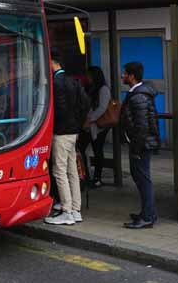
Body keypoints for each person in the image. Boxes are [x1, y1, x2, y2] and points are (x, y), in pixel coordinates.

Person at [44, 49, 83, 225]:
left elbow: (58, 109)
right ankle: (76, 209)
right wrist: (77, 123)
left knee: (59, 171)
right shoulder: (72, 80)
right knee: (72, 170)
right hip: (73, 132)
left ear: (53, 62)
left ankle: (66, 211)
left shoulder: (56, 82)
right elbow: (85, 103)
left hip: (61, 133)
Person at [121, 61, 160, 229]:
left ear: (132, 76)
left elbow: (142, 126)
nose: (122, 76)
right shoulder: (136, 93)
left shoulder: (138, 96)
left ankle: (148, 217)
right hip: (140, 144)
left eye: (124, 73)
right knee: (140, 178)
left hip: (141, 145)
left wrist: (136, 149)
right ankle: (147, 212)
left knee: (144, 180)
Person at [77, 66, 111, 187]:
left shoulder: (103, 89)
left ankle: (97, 178)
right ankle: (86, 175)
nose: (87, 78)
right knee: (81, 148)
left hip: (98, 126)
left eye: (89, 76)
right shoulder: (89, 88)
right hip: (88, 125)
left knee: (97, 151)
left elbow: (102, 108)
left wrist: (90, 120)